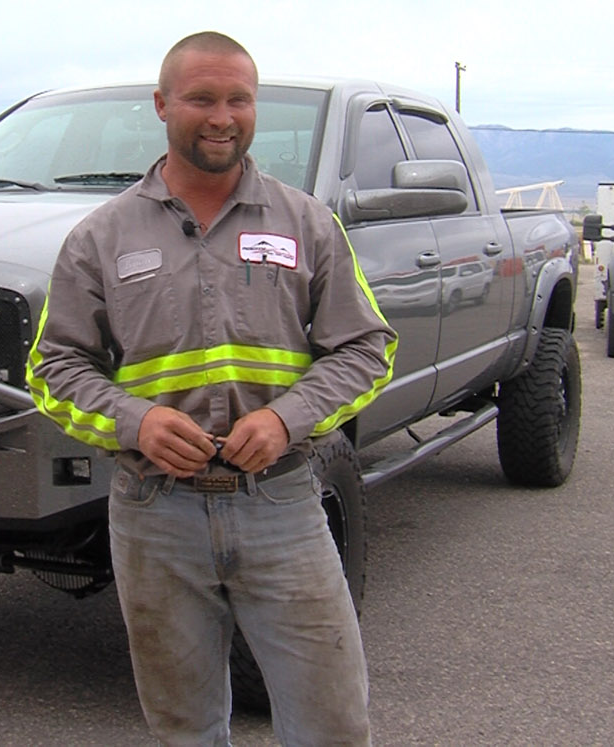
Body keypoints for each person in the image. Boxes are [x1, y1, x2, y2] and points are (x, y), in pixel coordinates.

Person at [27, 31, 396, 745]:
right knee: (185, 730)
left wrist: (289, 420)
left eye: (238, 99)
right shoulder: (98, 237)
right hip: (153, 514)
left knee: (334, 727)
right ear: (162, 105)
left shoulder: (307, 223)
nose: (222, 115)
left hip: (283, 505)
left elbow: (366, 348)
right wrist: (134, 421)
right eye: (201, 98)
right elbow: (53, 367)